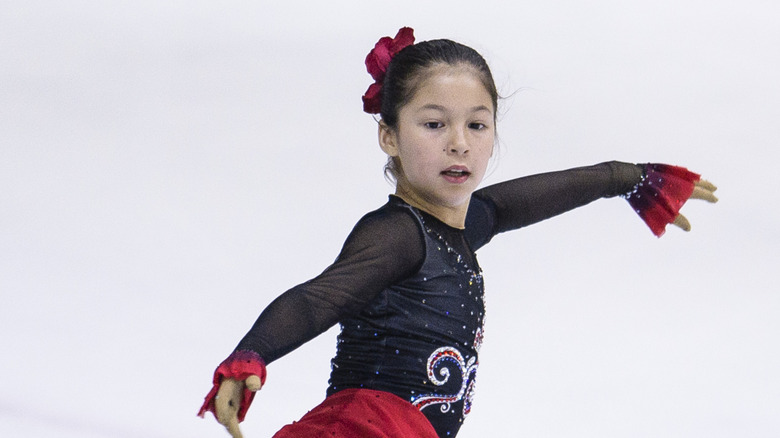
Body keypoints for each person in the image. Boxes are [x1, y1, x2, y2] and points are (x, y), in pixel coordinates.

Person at [198, 27, 717, 438]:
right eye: (434, 124)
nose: (459, 144)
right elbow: (321, 297)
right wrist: (252, 354)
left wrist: (628, 178)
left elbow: (523, 199)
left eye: (476, 124)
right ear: (389, 136)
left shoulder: (462, 226)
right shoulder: (397, 234)